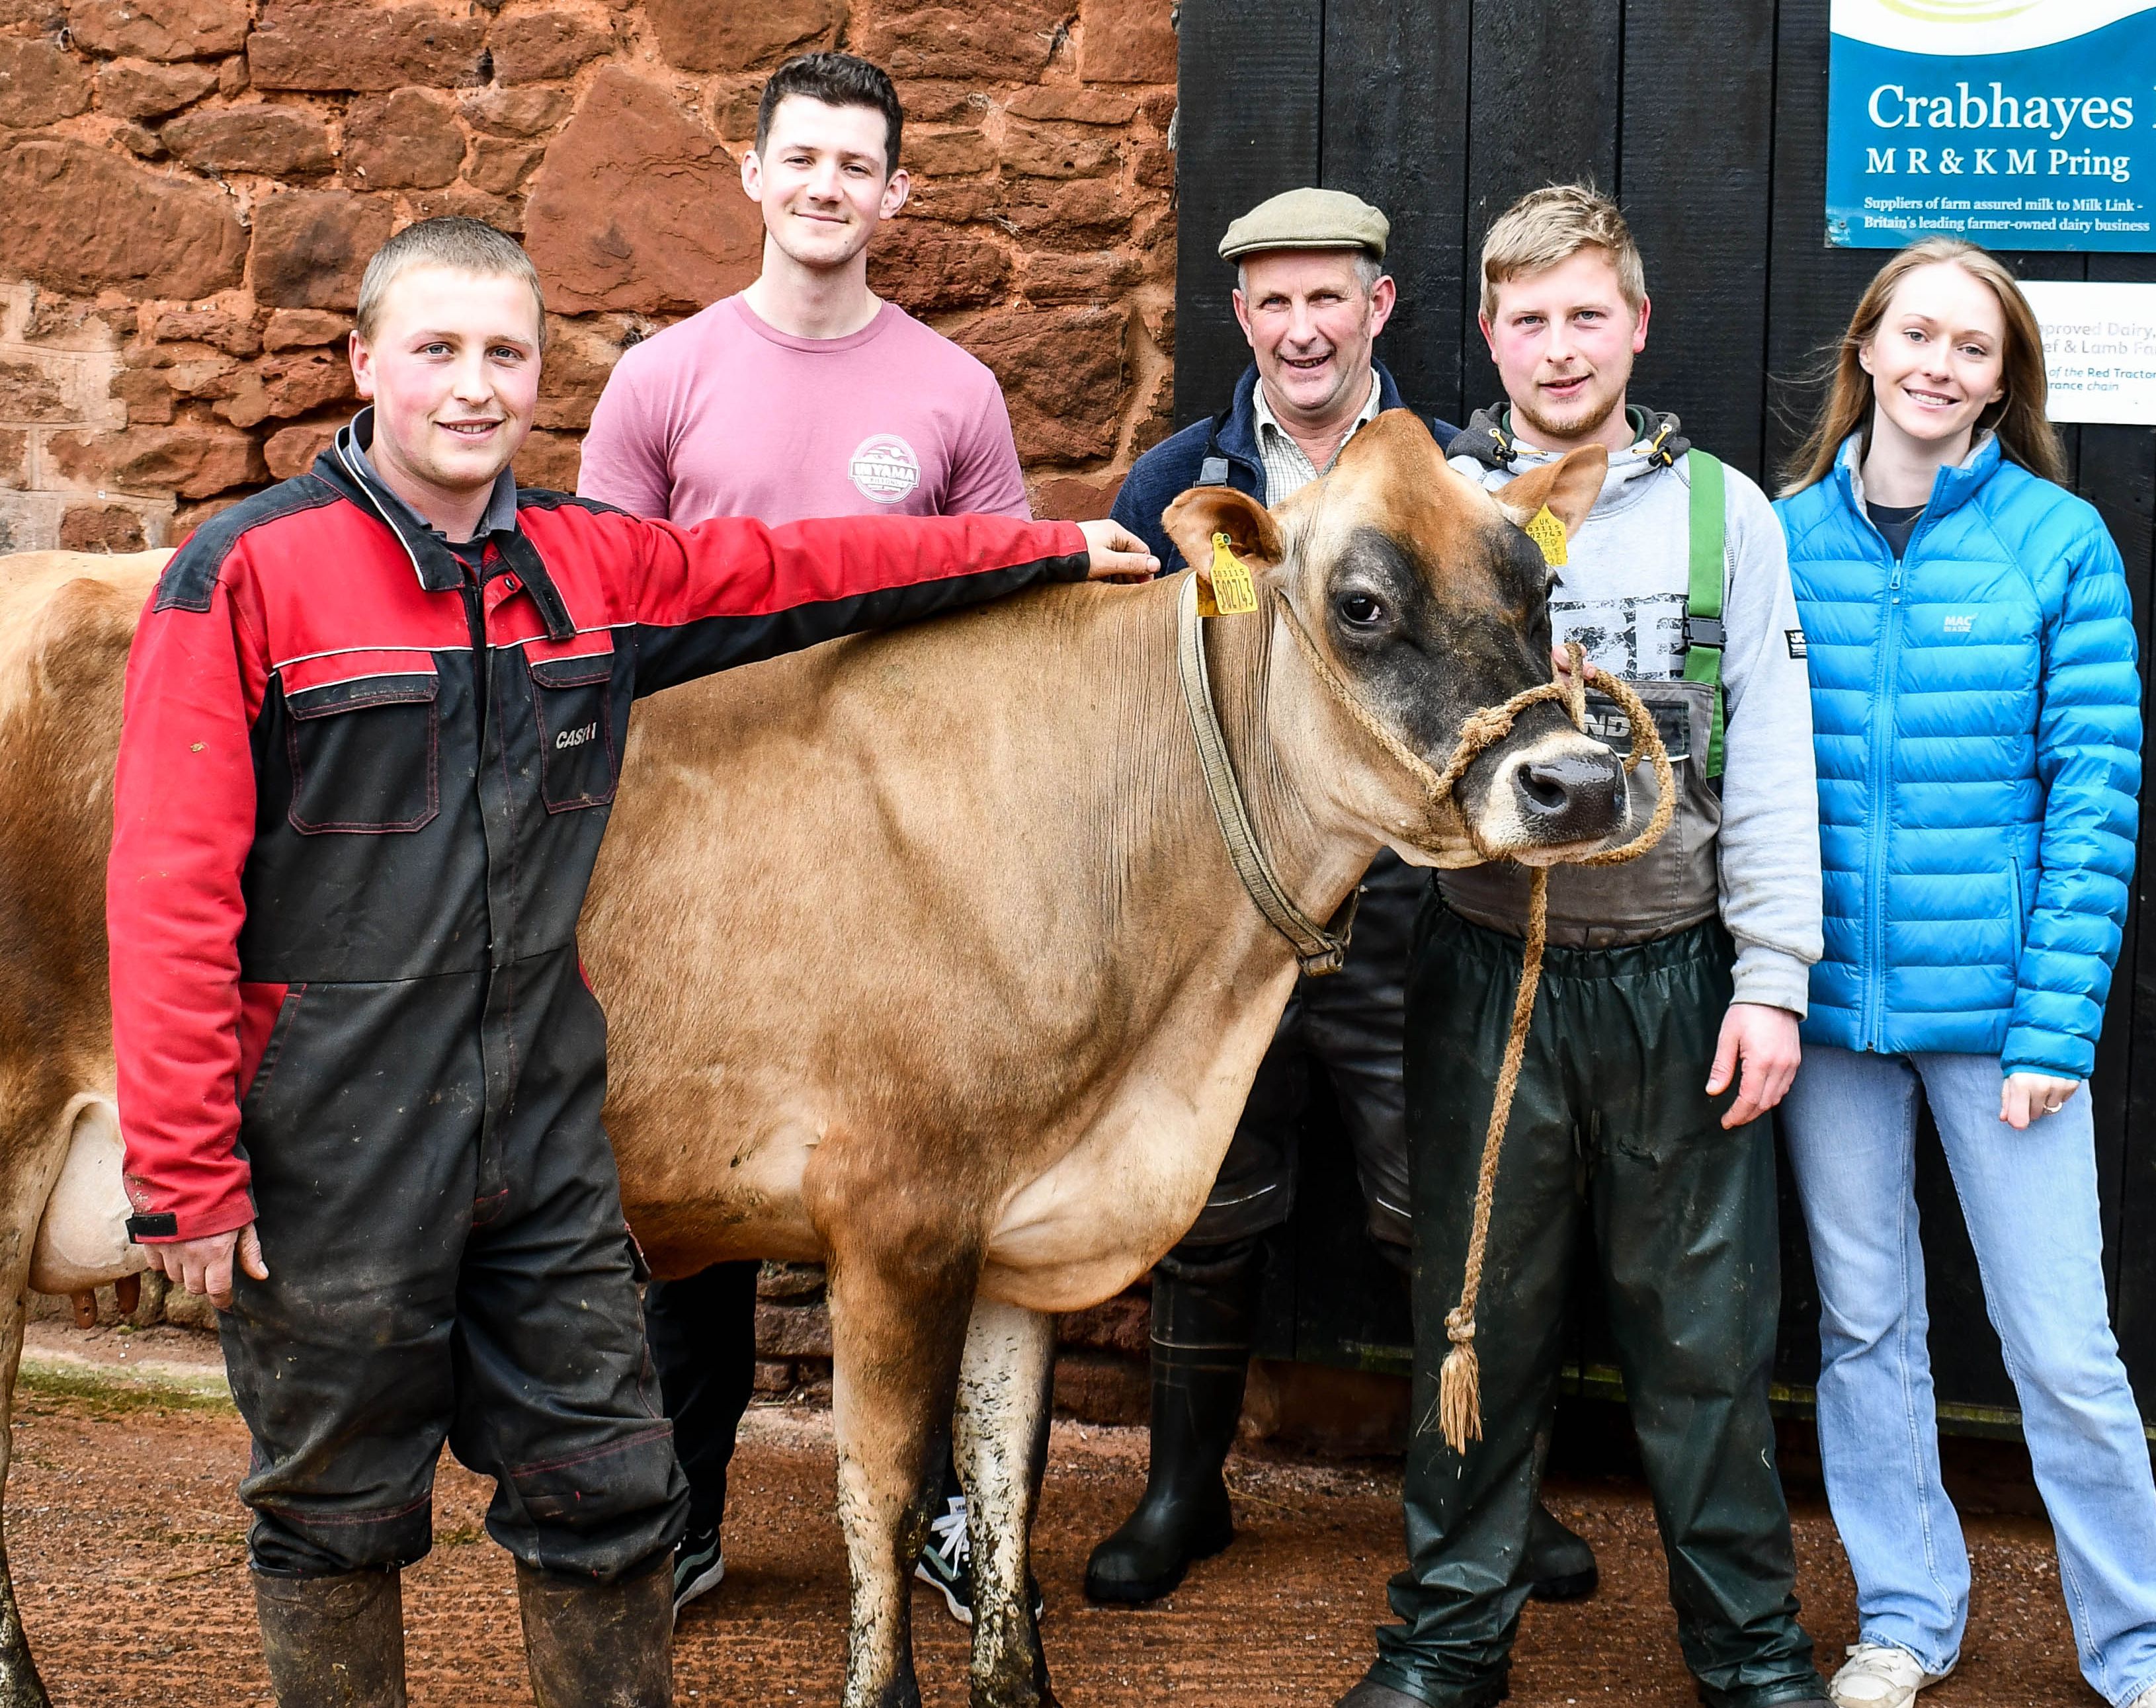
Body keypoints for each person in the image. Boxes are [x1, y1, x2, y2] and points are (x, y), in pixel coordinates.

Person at [110, 216, 1153, 1708]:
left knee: (612, 1490)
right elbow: (164, 887)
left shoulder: (589, 565)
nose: (474, 386)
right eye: (437, 350)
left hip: (543, 1140)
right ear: (364, 363)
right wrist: (188, 1171)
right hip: (332, 1148)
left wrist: (1042, 544)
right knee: (334, 1513)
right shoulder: (249, 577)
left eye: (506, 354)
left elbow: (810, 564)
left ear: (541, 373)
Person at [1345, 183, 1829, 1708]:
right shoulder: (1437, 498)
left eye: (1587, 315)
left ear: (1637, 324)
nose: (1559, 348)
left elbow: (1776, 766)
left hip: (1676, 974)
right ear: (1488, 332)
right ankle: (1449, 1639)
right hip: (1493, 968)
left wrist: (1772, 982)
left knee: (1706, 1336)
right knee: (1474, 1314)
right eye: (1529, 318)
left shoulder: (1723, 515)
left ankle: (1751, 1651)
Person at [1086, 185, 1599, 1611]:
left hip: (1404, 902)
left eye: (1332, 297)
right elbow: (1122, 700)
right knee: (1211, 1197)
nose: (1302, 326)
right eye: (1274, 301)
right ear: (1240, 316)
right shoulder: (1178, 483)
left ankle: (1490, 1497)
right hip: (1225, 914)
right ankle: (1185, 1488)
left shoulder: (1467, 476)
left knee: (1438, 1196)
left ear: (1382, 307)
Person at [578, 48, 1034, 1625]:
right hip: (699, 854)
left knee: (924, 1189)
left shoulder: (954, 394)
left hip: (904, 860)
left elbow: (997, 632)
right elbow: (607, 621)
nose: (830, 186)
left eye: (860, 165)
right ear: (755, 178)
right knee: (687, 1207)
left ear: (894, 196)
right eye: (805, 159)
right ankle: (682, 1511)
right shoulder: (664, 381)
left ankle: (928, 1516)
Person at [1774, 238, 2156, 1708]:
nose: (1940, 365)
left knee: (2063, 1346)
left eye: (1974, 348)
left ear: (2003, 379)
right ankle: (1904, 1615)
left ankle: (2147, 1651)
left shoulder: (2057, 541)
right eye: (1918, 334)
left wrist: (2056, 1023)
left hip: (2003, 1025)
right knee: (1863, 1327)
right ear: (1867, 347)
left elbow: (2094, 793)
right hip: (1832, 1014)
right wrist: (1768, 978)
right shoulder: (1783, 536)